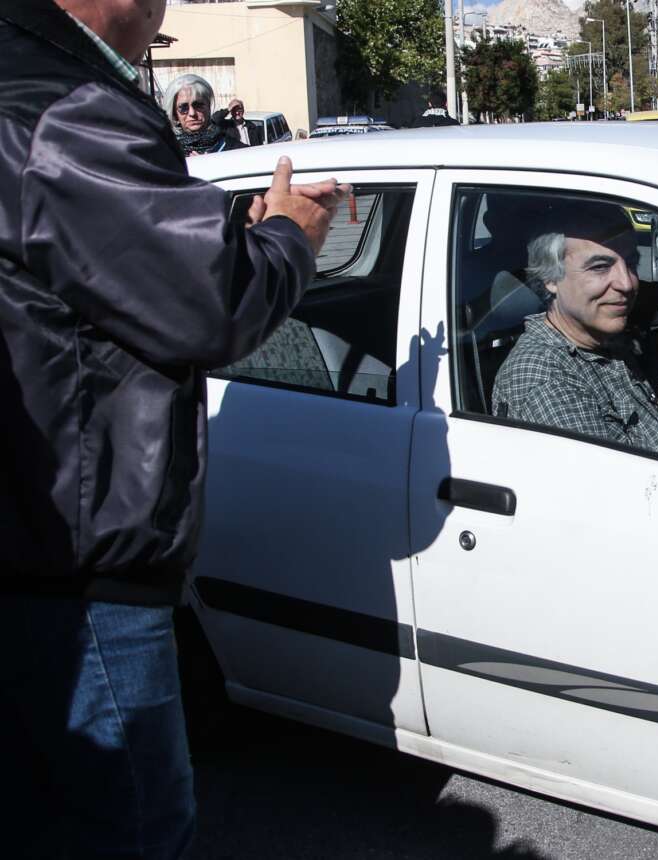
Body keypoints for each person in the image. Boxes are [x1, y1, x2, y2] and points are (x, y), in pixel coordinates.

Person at [0, 1, 350, 857]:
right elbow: (213, 303)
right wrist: (289, 239)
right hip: (80, 575)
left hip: (42, 547)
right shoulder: (64, 111)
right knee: (133, 828)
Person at [491, 202, 658, 463]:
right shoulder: (548, 383)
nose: (627, 283)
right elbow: (626, 491)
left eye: (631, 263)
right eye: (600, 267)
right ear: (551, 279)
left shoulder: (598, 326)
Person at [162, 72, 244, 155]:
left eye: (198, 105)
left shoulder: (237, 151)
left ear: (209, 107)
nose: (192, 113)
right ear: (174, 114)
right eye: (183, 107)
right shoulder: (165, 155)